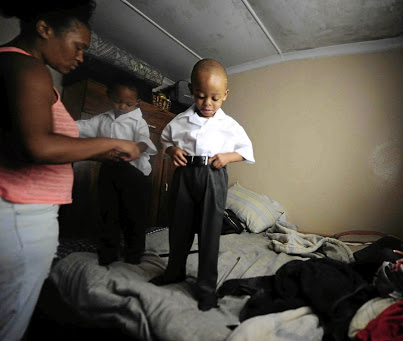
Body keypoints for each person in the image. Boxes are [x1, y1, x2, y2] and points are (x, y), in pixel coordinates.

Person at [0, 2, 141, 340]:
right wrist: (115, 145)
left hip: (18, 210)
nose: (81, 58)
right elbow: (38, 146)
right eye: (78, 47)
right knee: (10, 322)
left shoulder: (13, 62)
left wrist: (99, 154)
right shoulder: (27, 67)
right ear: (45, 28)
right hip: (21, 215)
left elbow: (31, 141)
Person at [150, 58, 255, 311]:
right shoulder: (180, 121)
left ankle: (207, 287)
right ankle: (174, 272)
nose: (207, 103)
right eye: (200, 96)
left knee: (209, 234)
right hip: (185, 175)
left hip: (213, 176)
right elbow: (164, 142)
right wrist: (173, 150)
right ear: (191, 92)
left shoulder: (230, 126)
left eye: (215, 98)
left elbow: (246, 151)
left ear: (225, 95)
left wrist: (228, 156)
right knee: (179, 227)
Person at [76, 78, 157, 265]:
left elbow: (144, 139)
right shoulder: (102, 119)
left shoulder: (138, 121)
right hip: (109, 169)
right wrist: (61, 124)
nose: (122, 106)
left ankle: (134, 254)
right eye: (117, 101)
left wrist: (138, 148)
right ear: (109, 97)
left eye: (128, 103)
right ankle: (108, 253)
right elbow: (82, 127)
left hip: (135, 173)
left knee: (134, 215)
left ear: (136, 103)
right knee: (108, 211)